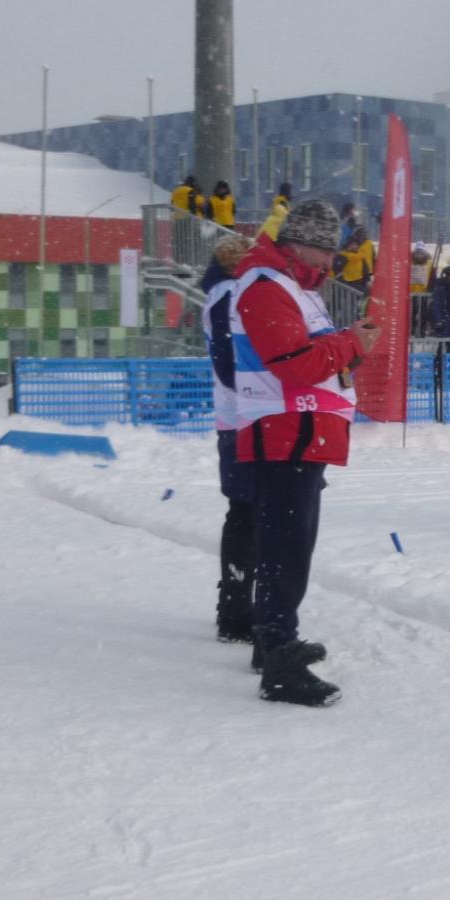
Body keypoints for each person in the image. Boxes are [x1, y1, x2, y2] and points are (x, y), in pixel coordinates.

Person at [230, 198, 381, 706]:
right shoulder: (266, 286)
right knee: (285, 551)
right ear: (299, 246)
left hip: (299, 431)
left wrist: (348, 347)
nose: (330, 265)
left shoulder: (291, 286)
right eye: (325, 254)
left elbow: (311, 357)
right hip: (285, 432)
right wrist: (350, 344)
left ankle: (273, 641)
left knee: (288, 547)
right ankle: (279, 662)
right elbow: (295, 364)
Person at [202, 231, 257, 645]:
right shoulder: (229, 296)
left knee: (245, 513)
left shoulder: (220, 293)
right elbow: (228, 363)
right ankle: (236, 610)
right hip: (243, 417)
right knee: (246, 515)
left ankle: (236, 604)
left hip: (235, 416)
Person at [336, 226, 376, 294]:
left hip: (363, 275)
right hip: (350, 279)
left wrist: (369, 276)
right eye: (360, 234)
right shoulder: (345, 254)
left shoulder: (368, 244)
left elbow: (373, 257)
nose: (362, 235)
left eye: (363, 233)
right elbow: (338, 267)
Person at [428, 266, 450, 338]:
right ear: (449, 276)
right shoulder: (440, 288)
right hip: (445, 320)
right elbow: (437, 305)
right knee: (443, 340)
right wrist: (438, 320)